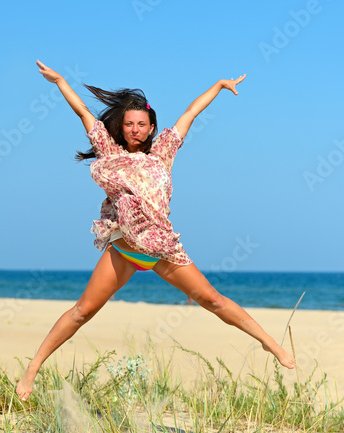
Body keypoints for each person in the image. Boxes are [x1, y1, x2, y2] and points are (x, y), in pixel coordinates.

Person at [16, 60, 296, 402]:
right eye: (129, 124)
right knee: (83, 312)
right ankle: (33, 367)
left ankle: (270, 344)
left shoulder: (162, 153)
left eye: (141, 124)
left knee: (212, 299)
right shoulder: (110, 152)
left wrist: (220, 86)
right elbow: (84, 114)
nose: (135, 129)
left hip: (161, 248)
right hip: (124, 247)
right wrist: (60, 81)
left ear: (151, 128)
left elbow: (189, 114)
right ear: (121, 127)